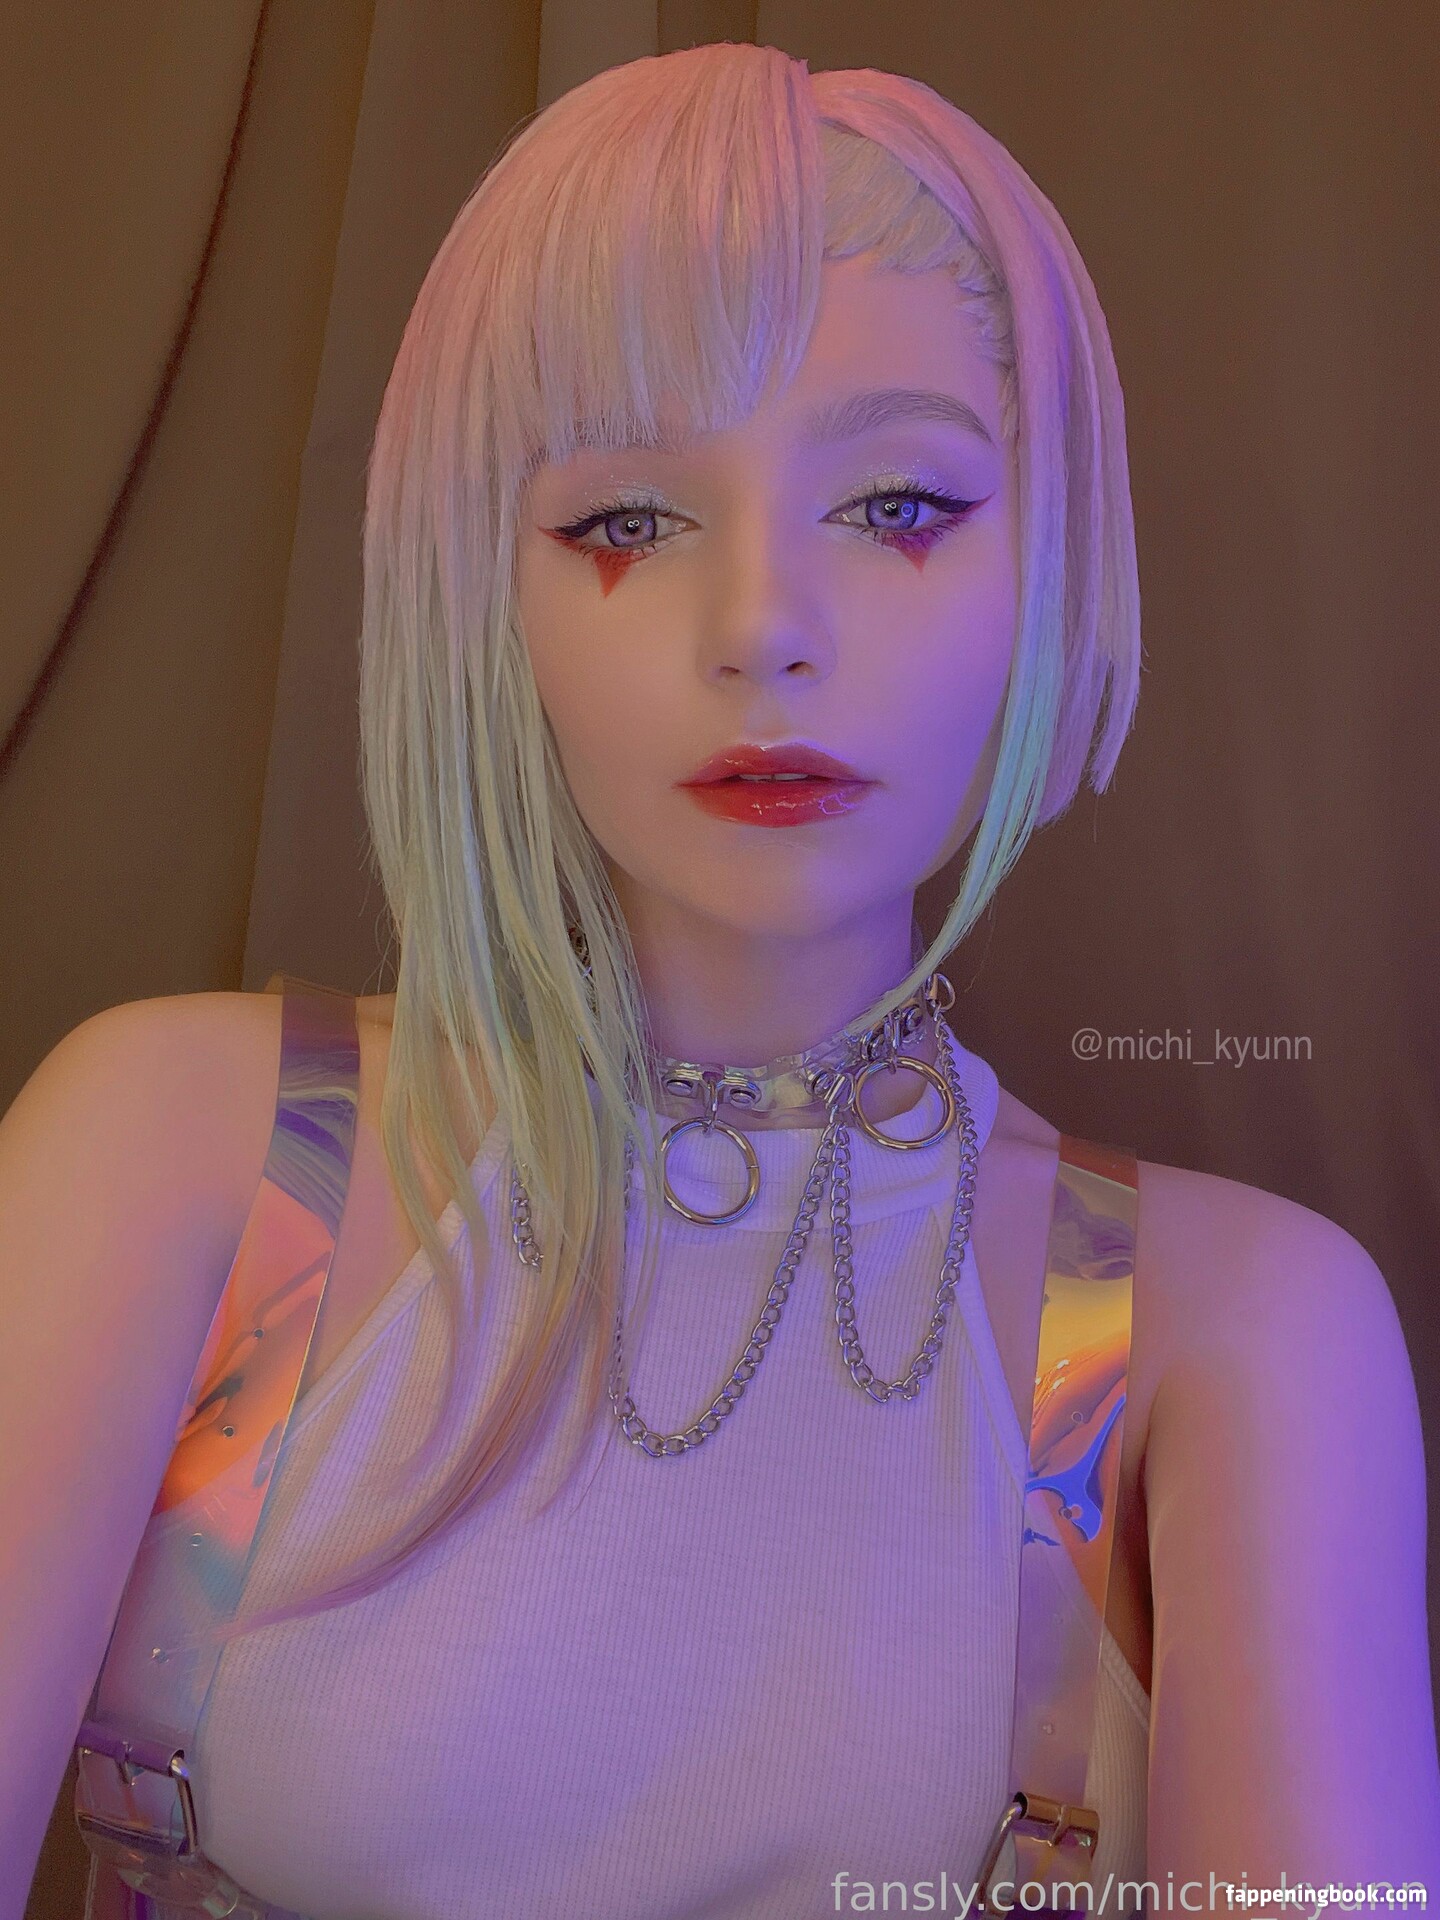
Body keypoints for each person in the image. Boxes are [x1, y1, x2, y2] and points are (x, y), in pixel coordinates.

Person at [5, 41, 1437, 1920]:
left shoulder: (1237, 1334)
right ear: (481, 588)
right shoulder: (177, 1152)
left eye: (899, 504)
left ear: (1052, 558)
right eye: (629, 520)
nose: (763, 628)